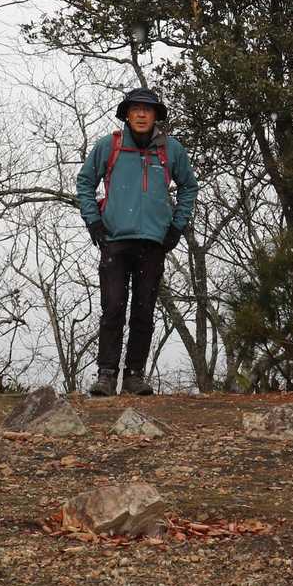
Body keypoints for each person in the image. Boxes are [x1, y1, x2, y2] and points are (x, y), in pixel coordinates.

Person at [74, 88, 199, 396]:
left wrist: (176, 227)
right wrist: (93, 221)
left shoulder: (171, 150)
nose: (142, 114)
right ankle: (106, 375)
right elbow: (85, 182)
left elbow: (189, 187)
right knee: (113, 307)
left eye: (148, 109)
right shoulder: (110, 146)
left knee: (144, 311)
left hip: (154, 243)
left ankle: (134, 376)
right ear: (127, 114)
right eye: (136, 109)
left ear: (156, 115)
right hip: (115, 240)